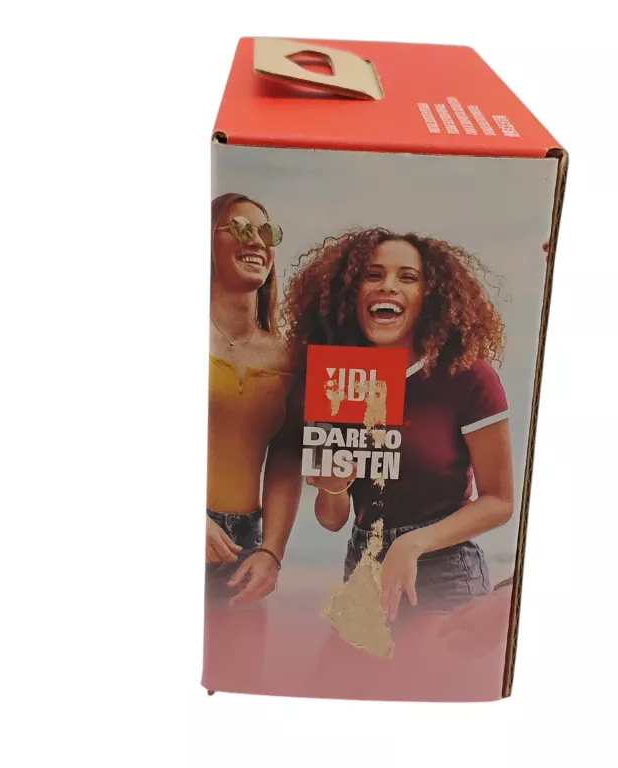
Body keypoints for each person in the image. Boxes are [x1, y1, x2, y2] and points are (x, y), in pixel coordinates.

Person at [282, 227, 514, 627]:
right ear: (350, 292)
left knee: (431, 667)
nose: (388, 285)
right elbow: (332, 519)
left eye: (408, 277)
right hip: (361, 566)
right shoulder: (338, 378)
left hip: (443, 569)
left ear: (429, 296)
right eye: (373, 275)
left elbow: (499, 501)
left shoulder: (467, 376)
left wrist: (413, 543)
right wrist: (333, 486)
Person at [203, 193, 302, 693]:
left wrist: (272, 552)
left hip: (244, 548)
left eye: (265, 233)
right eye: (239, 229)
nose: (256, 242)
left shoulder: (288, 356)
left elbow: (286, 460)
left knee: (238, 686)